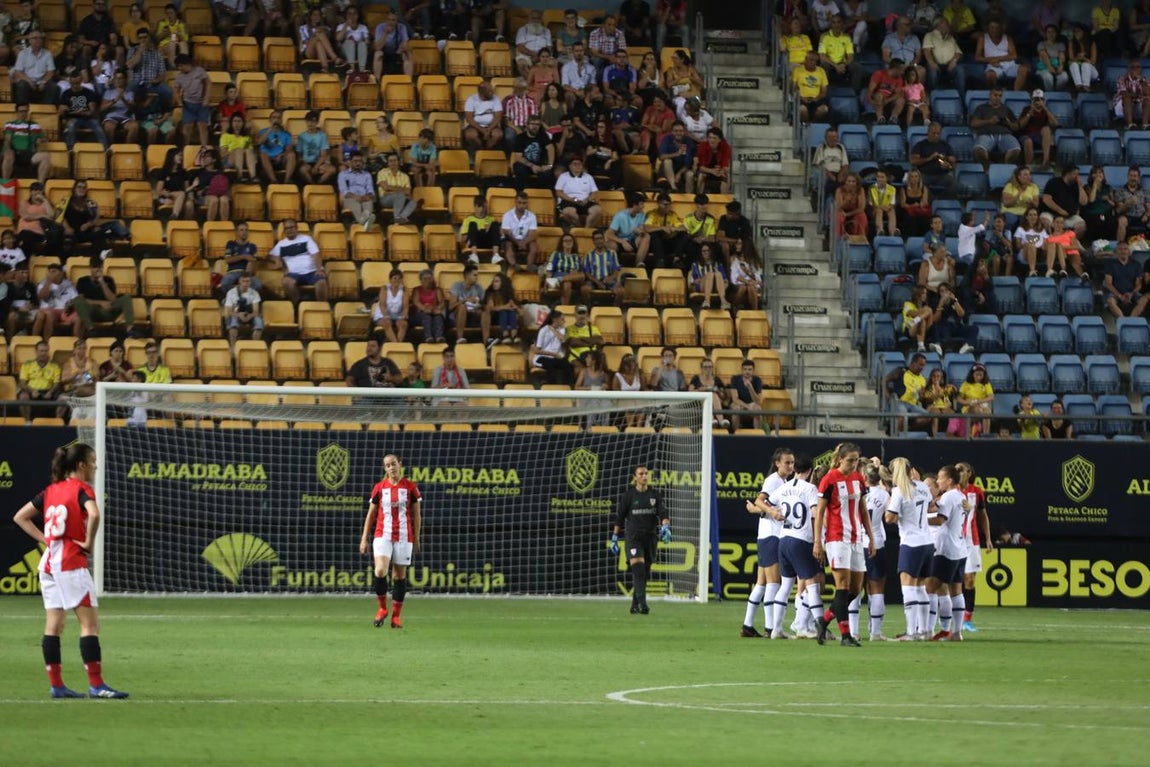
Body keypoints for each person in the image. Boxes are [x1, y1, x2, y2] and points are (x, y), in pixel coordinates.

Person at [12, 443, 129, 699]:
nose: (96, 466)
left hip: (49, 564)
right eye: (93, 461)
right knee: (90, 625)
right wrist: (88, 542)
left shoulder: (51, 490)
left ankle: (57, 686)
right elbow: (95, 515)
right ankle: (97, 685)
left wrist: (46, 539)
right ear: (81, 465)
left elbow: (19, 516)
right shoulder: (82, 489)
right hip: (70, 564)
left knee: (53, 626)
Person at [813, 442, 875, 647]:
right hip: (836, 538)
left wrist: (871, 538)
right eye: (850, 460)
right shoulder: (829, 479)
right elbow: (820, 512)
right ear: (840, 459)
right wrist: (817, 542)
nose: (853, 464)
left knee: (856, 589)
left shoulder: (858, 478)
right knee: (843, 586)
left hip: (857, 538)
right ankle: (846, 635)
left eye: (856, 460)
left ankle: (824, 619)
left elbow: (863, 510)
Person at [359, 453, 422, 629]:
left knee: (399, 576)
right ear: (385, 469)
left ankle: (396, 617)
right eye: (387, 465)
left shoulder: (411, 487)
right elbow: (371, 515)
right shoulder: (379, 488)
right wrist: (364, 538)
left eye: (393, 464)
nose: (391, 467)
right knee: (380, 570)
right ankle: (382, 609)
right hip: (382, 534)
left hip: (404, 535)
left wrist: (417, 538)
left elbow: (417, 515)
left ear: (400, 464)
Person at [739, 447, 794, 637]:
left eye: (792, 463)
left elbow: (759, 506)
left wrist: (758, 510)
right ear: (777, 463)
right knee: (774, 582)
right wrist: (772, 512)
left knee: (761, 583)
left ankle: (747, 625)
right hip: (771, 535)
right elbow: (760, 500)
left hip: (767, 534)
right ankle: (771, 627)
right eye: (786, 462)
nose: (790, 466)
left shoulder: (785, 481)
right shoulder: (773, 480)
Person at [884, 457, 934, 641]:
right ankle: (925, 630)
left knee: (908, 588)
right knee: (921, 588)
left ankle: (911, 632)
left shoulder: (899, 491)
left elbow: (889, 518)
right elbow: (929, 506)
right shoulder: (922, 486)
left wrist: (893, 513)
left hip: (911, 543)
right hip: (928, 542)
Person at [610, 465, 669, 615]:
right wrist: (615, 537)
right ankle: (643, 604)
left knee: (644, 573)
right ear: (635, 477)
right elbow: (620, 518)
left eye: (646, 473)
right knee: (638, 570)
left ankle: (634, 605)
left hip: (650, 538)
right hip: (633, 538)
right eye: (641, 474)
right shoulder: (629, 496)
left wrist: (665, 527)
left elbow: (662, 513)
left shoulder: (654, 495)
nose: (644, 476)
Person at [924, 464, 968, 641]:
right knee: (956, 591)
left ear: (949, 480)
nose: (938, 481)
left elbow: (940, 520)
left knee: (929, 588)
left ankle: (926, 630)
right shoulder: (960, 496)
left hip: (946, 549)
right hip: (960, 549)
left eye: (940, 478)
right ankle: (956, 632)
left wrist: (919, 520)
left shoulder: (949, 497)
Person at [855, 463, 890, 641]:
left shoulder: (856, 492)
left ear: (865, 478)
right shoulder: (884, 495)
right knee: (876, 589)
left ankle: (853, 631)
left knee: (855, 589)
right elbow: (892, 517)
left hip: (857, 543)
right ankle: (875, 633)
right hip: (876, 542)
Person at [269, 218, 327, 303]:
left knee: (322, 282)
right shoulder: (281, 244)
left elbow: (316, 254)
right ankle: (298, 304)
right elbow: (270, 256)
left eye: (291, 227)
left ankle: (321, 307)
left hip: (312, 272)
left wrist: (318, 269)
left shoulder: (306, 239)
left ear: (296, 228)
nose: (289, 230)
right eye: (286, 228)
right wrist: (278, 261)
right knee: (286, 282)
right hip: (294, 274)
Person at [74, 262, 135, 339]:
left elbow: (113, 299)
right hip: (92, 312)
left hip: (108, 310)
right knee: (77, 300)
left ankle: (130, 329)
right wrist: (100, 303)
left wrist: (102, 282)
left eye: (100, 267)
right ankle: (91, 329)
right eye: (95, 267)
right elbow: (81, 299)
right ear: (90, 268)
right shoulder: (83, 280)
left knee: (126, 298)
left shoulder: (109, 279)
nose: (97, 270)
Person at [971, 86, 1020, 168]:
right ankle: (987, 168)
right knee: (978, 150)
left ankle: (1006, 167)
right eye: (995, 95)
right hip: (987, 134)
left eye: (1000, 96)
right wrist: (989, 121)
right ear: (990, 95)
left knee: (1016, 149)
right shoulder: (981, 108)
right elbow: (973, 123)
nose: (997, 98)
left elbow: (1016, 127)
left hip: (1004, 134)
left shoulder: (1006, 109)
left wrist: (1009, 123)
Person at [2, 103, 50, 184]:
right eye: (21, 111)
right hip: (15, 152)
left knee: (45, 156)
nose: (23, 113)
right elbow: (7, 140)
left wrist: (41, 140)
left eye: (25, 111)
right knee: (8, 153)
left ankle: (39, 186)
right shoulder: (10, 124)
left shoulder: (35, 125)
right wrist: (8, 148)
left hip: (29, 153)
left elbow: (44, 138)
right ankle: (5, 184)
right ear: (16, 112)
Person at [18, 340, 62, 422]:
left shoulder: (55, 366)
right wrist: (31, 391)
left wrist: (51, 392)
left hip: (49, 391)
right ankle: (27, 422)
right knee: (23, 396)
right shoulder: (27, 364)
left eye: (46, 351)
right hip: (32, 391)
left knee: (63, 398)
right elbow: (22, 383)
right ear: (36, 351)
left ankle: (57, 421)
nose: (44, 353)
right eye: (41, 351)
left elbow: (57, 383)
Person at [10, 31, 59, 106]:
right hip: (28, 81)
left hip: (42, 81)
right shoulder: (23, 53)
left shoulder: (47, 53)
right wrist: (29, 81)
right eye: (35, 38)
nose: (38, 40)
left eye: (40, 38)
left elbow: (51, 71)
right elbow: (18, 71)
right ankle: (23, 109)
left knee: (53, 87)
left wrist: (43, 82)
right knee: (22, 85)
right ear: (29, 40)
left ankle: (46, 110)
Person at [910, 121, 955, 196]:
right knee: (918, 182)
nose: (936, 136)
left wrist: (949, 165)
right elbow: (913, 161)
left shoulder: (945, 145)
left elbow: (953, 161)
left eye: (938, 133)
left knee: (953, 183)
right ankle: (929, 200)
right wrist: (929, 159)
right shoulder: (920, 145)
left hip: (942, 175)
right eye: (934, 133)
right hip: (925, 175)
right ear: (928, 132)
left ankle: (945, 202)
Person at [173, 53, 209, 148]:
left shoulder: (199, 71)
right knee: (187, 127)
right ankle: (185, 148)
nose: (179, 68)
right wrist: (180, 103)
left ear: (186, 63)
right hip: (188, 104)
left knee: (202, 126)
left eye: (180, 65)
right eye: (178, 66)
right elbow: (176, 91)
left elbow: (208, 84)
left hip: (201, 103)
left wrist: (206, 98)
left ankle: (204, 148)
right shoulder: (179, 77)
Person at [448, 264, 490, 346]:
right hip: (458, 315)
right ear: (467, 275)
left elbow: (484, 304)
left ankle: (486, 342)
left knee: (486, 310)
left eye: (477, 275)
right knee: (462, 307)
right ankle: (460, 338)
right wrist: (465, 300)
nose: (477, 277)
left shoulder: (478, 287)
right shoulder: (457, 286)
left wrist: (478, 305)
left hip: (473, 314)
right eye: (474, 275)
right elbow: (451, 306)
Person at [1104, 241, 1148, 318]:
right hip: (1115, 292)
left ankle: (1131, 320)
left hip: (1131, 292)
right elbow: (1108, 284)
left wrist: (1131, 293)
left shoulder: (1136, 264)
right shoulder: (1110, 264)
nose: (1123, 251)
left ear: (1129, 251)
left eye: (1125, 249)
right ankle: (1123, 321)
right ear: (1116, 251)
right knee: (1110, 301)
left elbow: (1139, 285)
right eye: (1120, 249)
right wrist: (1119, 296)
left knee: (1143, 300)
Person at [582, 230, 625, 304]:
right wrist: (598, 282)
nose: (599, 241)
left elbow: (616, 271)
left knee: (621, 291)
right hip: (594, 281)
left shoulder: (612, 253)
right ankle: (589, 308)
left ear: (604, 240)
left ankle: (615, 310)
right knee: (584, 289)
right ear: (593, 241)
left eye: (600, 238)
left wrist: (609, 278)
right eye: (596, 239)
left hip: (609, 280)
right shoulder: (589, 254)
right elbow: (587, 273)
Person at [530, 309, 572, 385]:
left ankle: (566, 386)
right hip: (542, 357)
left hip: (555, 357)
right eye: (562, 319)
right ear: (554, 319)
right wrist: (553, 354)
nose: (564, 321)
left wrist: (553, 329)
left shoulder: (561, 329)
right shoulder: (543, 330)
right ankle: (552, 386)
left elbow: (562, 339)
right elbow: (537, 351)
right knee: (550, 364)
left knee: (567, 365)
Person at [500, 192, 539, 270]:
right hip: (512, 239)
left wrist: (524, 242)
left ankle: (530, 265)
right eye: (519, 203)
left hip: (525, 240)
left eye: (524, 203)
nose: (521, 205)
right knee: (508, 244)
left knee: (534, 244)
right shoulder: (507, 215)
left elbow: (532, 233)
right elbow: (507, 232)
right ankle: (514, 265)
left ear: (527, 204)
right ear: (515, 202)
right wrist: (517, 242)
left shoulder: (532, 216)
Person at [338, 151, 377, 230]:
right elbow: (344, 190)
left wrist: (367, 196)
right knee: (354, 203)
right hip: (350, 198)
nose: (358, 163)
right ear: (350, 162)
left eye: (360, 161)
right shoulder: (343, 174)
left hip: (364, 197)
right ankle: (364, 221)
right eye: (355, 161)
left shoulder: (367, 175)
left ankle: (363, 222)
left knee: (369, 202)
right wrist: (355, 197)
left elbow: (370, 189)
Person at [296, 110, 336, 186]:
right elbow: (299, 154)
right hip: (306, 163)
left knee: (332, 170)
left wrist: (316, 167)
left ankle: (319, 184)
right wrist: (303, 162)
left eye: (313, 121)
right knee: (303, 170)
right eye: (308, 121)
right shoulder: (301, 136)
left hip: (319, 163)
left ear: (317, 122)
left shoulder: (322, 136)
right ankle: (312, 185)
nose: (310, 123)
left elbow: (323, 155)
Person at [256, 110, 298, 183]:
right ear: (270, 120)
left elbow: (289, 149)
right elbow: (260, 142)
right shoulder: (263, 131)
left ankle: (287, 180)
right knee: (263, 154)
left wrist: (282, 155)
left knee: (292, 154)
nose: (276, 120)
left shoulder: (286, 134)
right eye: (274, 117)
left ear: (281, 120)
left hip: (280, 160)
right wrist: (270, 129)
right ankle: (273, 180)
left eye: (278, 118)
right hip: (267, 160)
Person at [376, 152, 418, 224]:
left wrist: (392, 189)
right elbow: (385, 188)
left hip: (400, 198)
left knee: (413, 202)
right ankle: (397, 221)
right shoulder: (382, 172)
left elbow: (408, 192)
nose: (393, 163)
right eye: (390, 161)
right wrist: (401, 189)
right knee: (400, 196)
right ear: (388, 163)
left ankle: (400, 218)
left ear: (398, 162)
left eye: (395, 160)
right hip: (385, 199)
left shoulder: (405, 176)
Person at [463, 79, 504, 151]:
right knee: (470, 135)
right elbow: (469, 119)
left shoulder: (496, 99)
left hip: (492, 125)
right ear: (481, 92)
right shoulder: (471, 99)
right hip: (475, 126)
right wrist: (482, 130)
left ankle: (487, 150)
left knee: (498, 135)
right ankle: (481, 150)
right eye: (490, 91)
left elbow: (498, 117)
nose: (492, 92)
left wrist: (489, 129)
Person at [224, 273, 263, 348]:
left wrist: (249, 316)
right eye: (243, 281)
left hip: (249, 314)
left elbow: (256, 311)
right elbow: (228, 311)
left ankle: (255, 346)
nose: (245, 283)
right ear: (239, 281)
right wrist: (239, 315)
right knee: (233, 322)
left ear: (250, 282)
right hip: (236, 314)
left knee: (259, 321)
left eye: (247, 281)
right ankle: (233, 347)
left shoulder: (254, 293)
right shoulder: (231, 293)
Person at [460, 195, 502, 265]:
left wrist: (490, 229)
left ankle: (495, 255)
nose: (482, 209)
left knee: (495, 223)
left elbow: (498, 236)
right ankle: (474, 255)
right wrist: (475, 232)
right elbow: (463, 240)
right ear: (475, 206)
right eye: (479, 206)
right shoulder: (468, 219)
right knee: (473, 224)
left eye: (484, 207)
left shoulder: (491, 219)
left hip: (488, 241)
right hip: (475, 241)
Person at [793, 51, 829, 125]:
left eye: (815, 61)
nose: (813, 62)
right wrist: (802, 98)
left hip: (816, 99)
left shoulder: (821, 71)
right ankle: (806, 123)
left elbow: (824, 92)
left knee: (824, 109)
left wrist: (816, 99)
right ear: (806, 59)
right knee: (802, 109)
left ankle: (812, 123)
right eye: (811, 60)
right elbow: (793, 88)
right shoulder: (798, 70)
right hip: (802, 99)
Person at [410, 269, 447, 343]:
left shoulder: (437, 290)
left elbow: (442, 302)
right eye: (425, 279)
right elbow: (416, 302)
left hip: (434, 311)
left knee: (438, 316)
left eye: (430, 278)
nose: (428, 281)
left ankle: (439, 336)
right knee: (426, 315)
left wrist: (436, 309)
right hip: (420, 314)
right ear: (421, 280)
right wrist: (425, 308)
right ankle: (428, 337)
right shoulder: (417, 290)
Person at [867, 58, 906, 125]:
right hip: (878, 97)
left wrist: (887, 101)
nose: (903, 72)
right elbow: (870, 90)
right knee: (879, 96)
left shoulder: (899, 79)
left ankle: (893, 118)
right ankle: (880, 119)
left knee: (901, 100)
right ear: (895, 69)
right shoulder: (879, 74)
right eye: (901, 70)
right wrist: (871, 101)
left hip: (889, 99)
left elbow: (898, 94)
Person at [728, 358, 763, 430]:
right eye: (745, 369)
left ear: (753, 371)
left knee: (758, 409)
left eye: (750, 369)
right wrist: (747, 406)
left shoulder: (757, 380)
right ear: (741, 370)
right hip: (739, 403)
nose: (747, 371)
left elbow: (757, 401)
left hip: (752, 404)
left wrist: (750, 388)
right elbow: (735, 399)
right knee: (736, 408)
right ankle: (735, 433)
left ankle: (758, 435)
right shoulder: (735, 379)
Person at [374, 269, 408, 343]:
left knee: (403, 324)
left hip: (397, 315)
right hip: (383, 314)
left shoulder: (404, 289)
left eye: (399, 278)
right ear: (390, 279)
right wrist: (386, 316)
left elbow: (405, 306)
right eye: (395, 278)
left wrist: (404, 316)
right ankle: (396, 344)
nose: (397, 280)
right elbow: (382, 305)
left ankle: (397, 344)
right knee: (387, 322)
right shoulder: (384, 288)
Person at [484, 273, 519, 345]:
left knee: (511, 312)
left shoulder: (508, 294)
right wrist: (505, 307)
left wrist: (514, 306)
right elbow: (491, 308)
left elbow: (518, 310)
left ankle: (514, 335)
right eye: (493, 281)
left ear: (503, 283)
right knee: (503, 311)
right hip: (494, 318)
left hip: (508, 317)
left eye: (497, 281)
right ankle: (505, 335)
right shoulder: (490, 293)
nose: (494, 284)